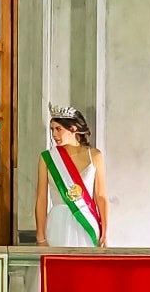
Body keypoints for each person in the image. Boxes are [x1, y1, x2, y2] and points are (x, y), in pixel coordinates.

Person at [35, 106, 107, 248]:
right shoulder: (48, 158)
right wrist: (40, 235)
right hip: (58, 222)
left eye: (58, 129)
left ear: (73, 129)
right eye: (52, 129)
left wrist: (105, 231)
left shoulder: (95, 156)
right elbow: (41, 198)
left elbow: (101, 196)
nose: (54, 134)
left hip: (86, 221)